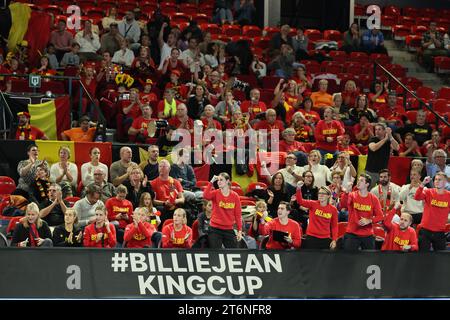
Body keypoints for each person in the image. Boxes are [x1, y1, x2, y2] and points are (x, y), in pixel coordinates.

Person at [341, 174, 384, 251]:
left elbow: (380, 216)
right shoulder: (352, 195)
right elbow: (343, 205)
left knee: (368, 259)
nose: (358, 182)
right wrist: (347, 192)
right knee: (348, 258)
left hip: (367, 234)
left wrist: (369, 220)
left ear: (367, 184)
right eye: (358, 180)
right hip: (352, 233)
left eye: (361, 180)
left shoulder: (373, 198)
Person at [203, 173, 242, 248]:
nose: (218, 182)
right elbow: (205, 195)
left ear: (227, 181)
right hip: (215, 228)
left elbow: (238, 215)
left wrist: (239, 230)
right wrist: (211, 181)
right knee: (215, 253)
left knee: (233, 252)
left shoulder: (235, 196)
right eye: (218, 180)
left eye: (221, 180)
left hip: (228, 229)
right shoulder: (215, 193)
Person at [296, 183, 338, 250]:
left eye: (323, 193)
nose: (320, 195)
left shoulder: (333, 209)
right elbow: (300, 201)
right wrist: (298, 189)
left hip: (325, 239)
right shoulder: (313, 204)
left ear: (328, 196)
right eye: (319, 193)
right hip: (311, 237)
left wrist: (334, 239)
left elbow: (334, 226)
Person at [414, 173, 450, 251]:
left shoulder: (449, 195)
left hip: (440, 232)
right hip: (425, 231)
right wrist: (422, 184)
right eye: (435, 179)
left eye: (439, 179)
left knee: (440, 258)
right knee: (423, 257)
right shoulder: (428, 192)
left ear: (445, 182)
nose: (437, 181)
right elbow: (417, 197)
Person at [365, 123, 399, 189]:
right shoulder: (373, 139)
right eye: (376, 129)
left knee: (383, 191)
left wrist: (390, 136)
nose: (377, 131)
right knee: (368, 190)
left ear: (384, 131)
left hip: (383, 172)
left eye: (379, 129)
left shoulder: (388, 141)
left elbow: (397, 148)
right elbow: (373, 148)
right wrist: (385, 139)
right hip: (371, 171)